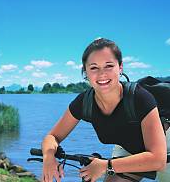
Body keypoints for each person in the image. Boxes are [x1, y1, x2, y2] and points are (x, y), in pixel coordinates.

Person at [41, 38, 167, 182]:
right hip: (129, 148)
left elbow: (158, 159)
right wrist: (49, 157)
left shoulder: (140, 98)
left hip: (164, 148)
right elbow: (52, 137)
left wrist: (105, 165)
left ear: (120, 68)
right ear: (85, 72)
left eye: (109, 66)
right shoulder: (84, 102)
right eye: (94, 67)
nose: (102, 74)